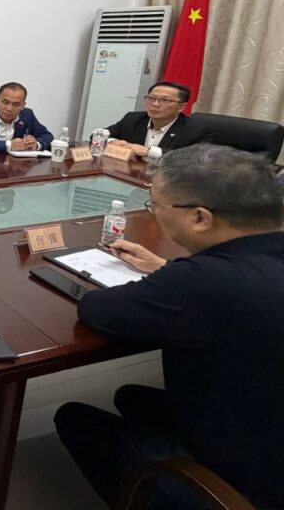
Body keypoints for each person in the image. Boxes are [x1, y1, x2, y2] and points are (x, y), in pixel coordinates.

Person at [54, 145, 284, 510]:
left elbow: (98, 310)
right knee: (130, 396)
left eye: (156, 205)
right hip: (266, 432)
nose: (155, 213)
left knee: (74, 419)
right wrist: (167, 269)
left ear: (200, 218)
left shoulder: (206, 281)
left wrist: (176, 278)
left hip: (247, 487)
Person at [105, 81, 213, 160]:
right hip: (131, 175)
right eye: (151, 98)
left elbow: (201, 158)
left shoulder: (195, 130)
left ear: (181, 107)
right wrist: (112, 142)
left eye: (165, 100)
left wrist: (149, 152)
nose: (155, 104)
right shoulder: (132, 119)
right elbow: (100, 134)